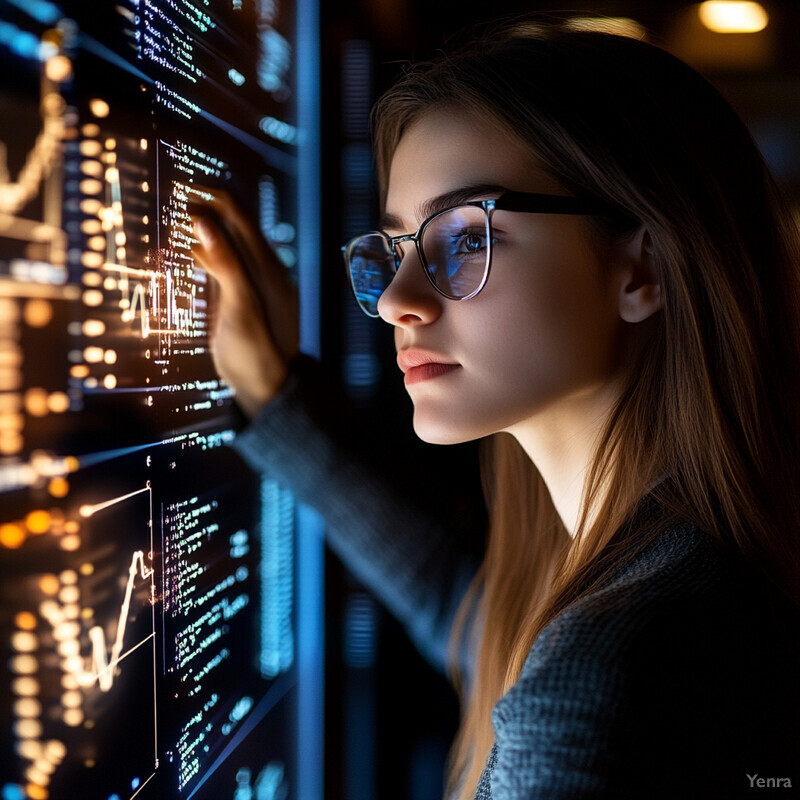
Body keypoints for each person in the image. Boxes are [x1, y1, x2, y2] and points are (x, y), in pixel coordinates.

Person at [191, 18, 800, 800]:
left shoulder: (608, 675)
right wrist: (275, 390)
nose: (397, 304)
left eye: (464, 240)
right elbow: (468, 609)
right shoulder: (679, 578)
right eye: (396, 250)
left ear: (641, 270)